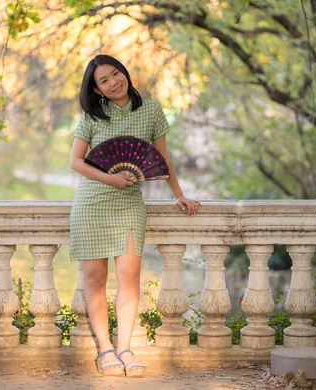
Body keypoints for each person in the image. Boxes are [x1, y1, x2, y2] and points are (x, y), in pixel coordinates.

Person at [69, 54, 201, 377]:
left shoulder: (152, 110)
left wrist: (179, 194)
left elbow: (163, 156)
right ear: (97, 89)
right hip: (92, 205)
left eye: (116, 73)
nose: (114, 82)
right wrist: (110, 178)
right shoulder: (92, 117)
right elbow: (76, 161)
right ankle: (105, 350)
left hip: (129, 204)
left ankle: (125, 347)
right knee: (95, 279)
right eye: (104, 80)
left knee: (130, 278)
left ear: (125, 73)